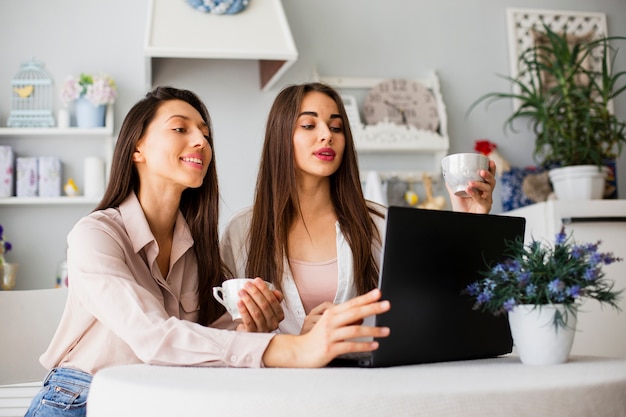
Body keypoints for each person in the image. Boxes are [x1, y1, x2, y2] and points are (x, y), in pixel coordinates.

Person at [24, 86, 390, 417]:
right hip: (81, 398)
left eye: (205, 133)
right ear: (137, 148)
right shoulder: (96, 235)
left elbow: (201, 342)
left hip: (158, 400)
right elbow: (155, 337)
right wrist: (295, 348)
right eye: (180, 128)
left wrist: (254, 327)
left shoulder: (199, 249)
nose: (200, 140)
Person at [221, 82, 496, 335]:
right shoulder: (241, 232)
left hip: (367, 384)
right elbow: (225, 336)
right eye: (308, 125)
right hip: (279, 387)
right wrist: (298, 343)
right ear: (280, 136)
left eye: (336, 127)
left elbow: (440, 304)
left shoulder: (381, 224)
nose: (327, 135)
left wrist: (470, 219)